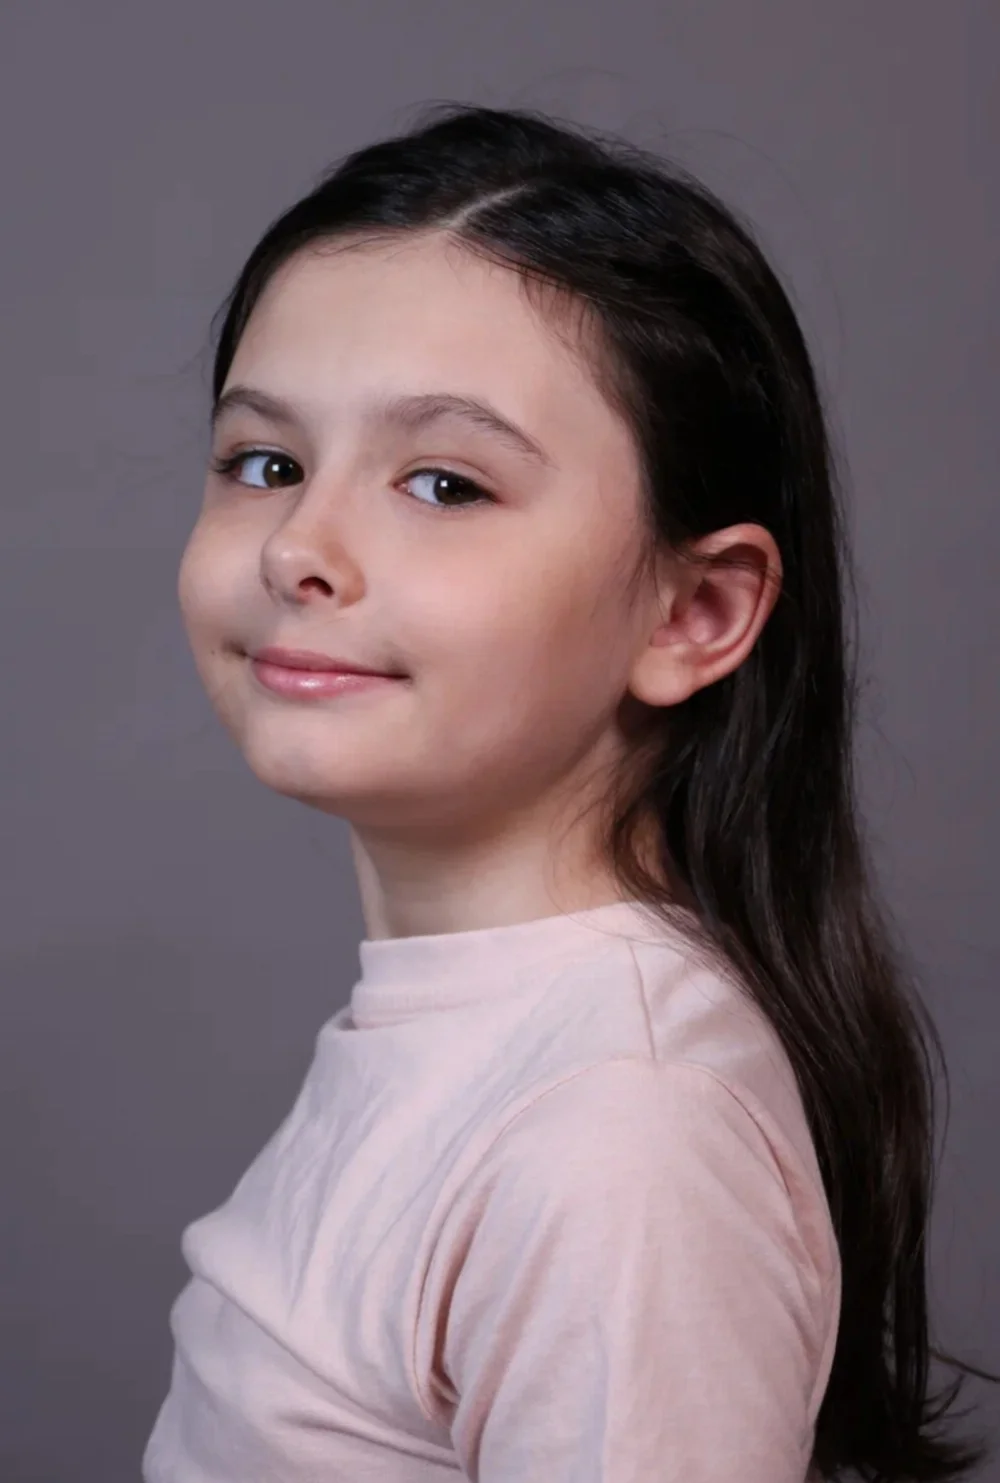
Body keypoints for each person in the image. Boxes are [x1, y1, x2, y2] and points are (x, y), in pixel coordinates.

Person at [142, 102, 997, 1482]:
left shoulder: (619, 1128)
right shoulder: (492, 1045)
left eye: (443, 484)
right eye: (267, 463)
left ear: (694, 613)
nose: (300, 543)